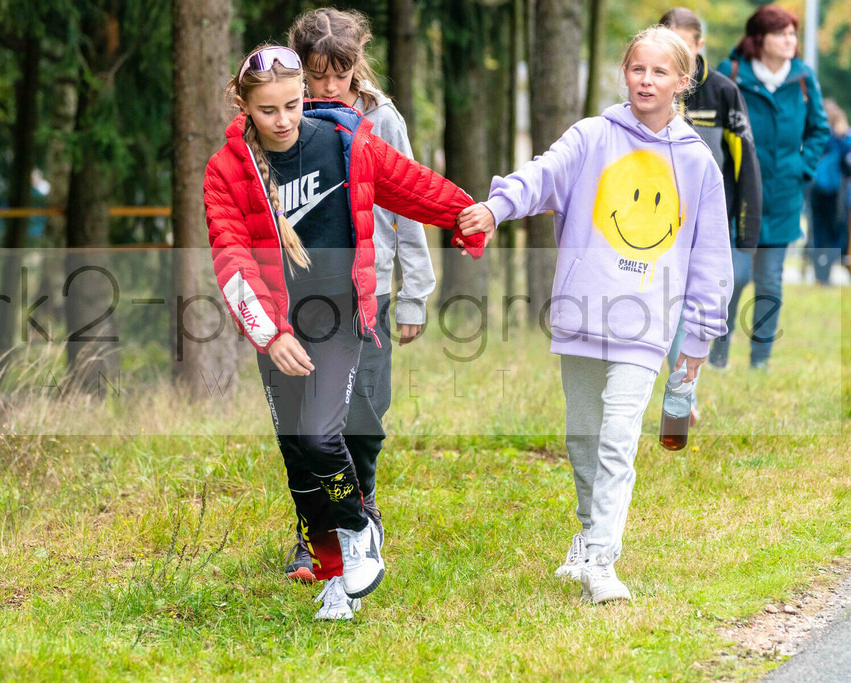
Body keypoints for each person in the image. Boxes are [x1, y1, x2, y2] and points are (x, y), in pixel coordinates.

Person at [203, 45, 486, 620]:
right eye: (267, 111)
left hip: (338, 315)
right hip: (281, 327)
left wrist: (464, 215)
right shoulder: (228, 170)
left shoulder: (343, 141)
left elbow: (411, 185)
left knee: (319, 437)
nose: (283, 121)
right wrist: (269, 333)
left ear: (303, 95)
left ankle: (359, 532)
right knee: (296, 459)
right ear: (243, 106)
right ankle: (335, 574)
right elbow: (231, 259)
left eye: (291, 104)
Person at [458, 26, 733, 603]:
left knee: (616, 437)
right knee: (582, 435)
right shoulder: (591, 136)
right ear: (624, 74)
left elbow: (710, 255)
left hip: (647, 320)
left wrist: (699, 340)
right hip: (584, 310)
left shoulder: (698, 163)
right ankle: (588, 533)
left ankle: (603, 559)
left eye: (661, 72)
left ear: (684, 81)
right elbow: (542, 174)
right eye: (638, 69)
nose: (646, 81)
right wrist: (495, 207)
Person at [279, 7, 432, 586]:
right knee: (307, 422)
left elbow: (407, 200)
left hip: (373, 289)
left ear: (355, 65)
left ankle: (362, 509)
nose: (328, 88)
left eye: (338, 74)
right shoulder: (282, 116)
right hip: (304, 294)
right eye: (316, 75)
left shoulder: (379, 119)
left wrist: (415, 292)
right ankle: (315, 536)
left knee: (364, 410)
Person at [709, 4, 829, 370]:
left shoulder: (804, 78)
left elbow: (819, 130)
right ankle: (717, 354)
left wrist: (802, 169)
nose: (791, 40)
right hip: (736, 197)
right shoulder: (731, 75)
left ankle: (760, 360)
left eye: (793, 33)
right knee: (734, 278)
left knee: (770, 284)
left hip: (783, 198)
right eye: (782, 33)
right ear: (760, 39)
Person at [660, 7, 763, 424]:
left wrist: (746, 231)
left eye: (683, 47)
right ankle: (682, 393)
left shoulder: (723, 92)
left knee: (693, 307)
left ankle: (684, 389)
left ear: (700, 46)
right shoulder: (649, 91)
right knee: (670, 307)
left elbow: (745, 165)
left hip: (709, 224)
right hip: (661, 227)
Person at [808, 100, 851, 285]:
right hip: (835, 194)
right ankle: (826, 271)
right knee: (836, 233)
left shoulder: (815, 137)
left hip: (815, 190)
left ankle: (820, 275)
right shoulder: (841, 140)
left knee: (818, 232)